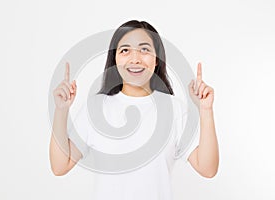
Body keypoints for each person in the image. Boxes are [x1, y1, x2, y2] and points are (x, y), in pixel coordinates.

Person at [49, 20, 219, 200]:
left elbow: (207, 169)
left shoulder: (173, 109)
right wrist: (61, 110)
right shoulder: (96, 108)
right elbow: (60, 166)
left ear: (156, 59)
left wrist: (205, 110)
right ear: (115, 59)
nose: (135, 58)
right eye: (125, 50)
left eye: (144, 49)